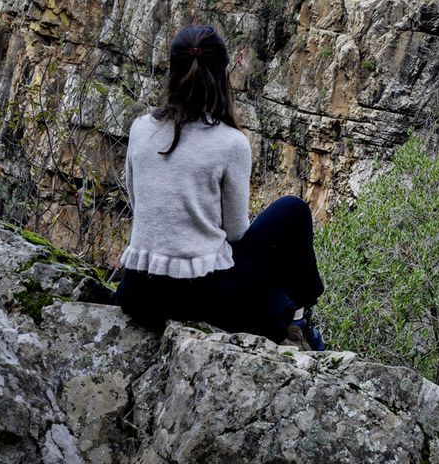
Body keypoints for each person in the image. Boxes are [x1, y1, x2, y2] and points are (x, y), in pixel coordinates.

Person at [116, 24, 325, 349]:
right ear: (222, 74)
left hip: (138, 293)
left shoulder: (140, 128)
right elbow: (236, 232)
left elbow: (136, 201)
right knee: (292, 211)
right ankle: (298, 316)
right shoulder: (231, 142)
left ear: (172, 71)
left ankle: (289, 315)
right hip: (200, 297)